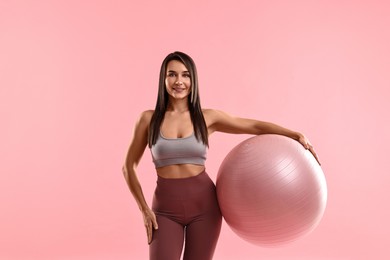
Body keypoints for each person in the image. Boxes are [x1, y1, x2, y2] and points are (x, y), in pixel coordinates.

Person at [122, 51, 320, 260]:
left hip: (205, 210)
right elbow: (128, 167)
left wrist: (294, 134)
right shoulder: (148, 119)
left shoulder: (208, 118)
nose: (179, 81)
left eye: (185, 75)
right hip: (164, 211)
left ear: (193, 80)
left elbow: (251, 125)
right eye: (172, 74)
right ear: (163, 78)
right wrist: (144, 209)